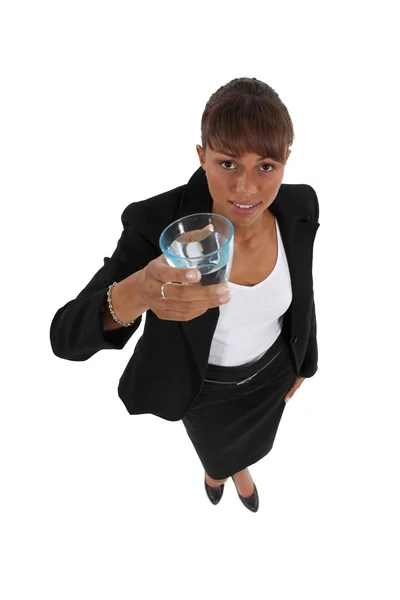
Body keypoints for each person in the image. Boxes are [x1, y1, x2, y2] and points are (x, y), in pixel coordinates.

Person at [50, 77, 320, 513]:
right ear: (202, 157)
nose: (246, 189)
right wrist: (138, 291)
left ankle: (241, 464)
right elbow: (63, 338)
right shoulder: (155, 223)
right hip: (204, 389)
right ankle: (218, 469)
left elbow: (304, 289)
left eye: (266, 166)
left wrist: (306, 359)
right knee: (215, 447)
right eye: (228, 163)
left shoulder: (301, 206)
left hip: (273, 374)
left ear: (286, 161)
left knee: (257, 439)